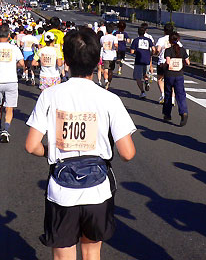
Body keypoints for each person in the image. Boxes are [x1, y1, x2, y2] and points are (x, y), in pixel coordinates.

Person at [25, 27, 136, 260]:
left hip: (61, 190)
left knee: (63, 255)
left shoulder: (50, 95)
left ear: (65, 61)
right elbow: (127, 152)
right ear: (98, 62)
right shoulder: (110, 99)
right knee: (91, 253)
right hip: (98, 190)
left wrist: (51, 150)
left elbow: (31, 145)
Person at [0, 24, 24, 143]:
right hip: (11, 80)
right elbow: (22, 63)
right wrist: (15, 65)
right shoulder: (14, 48)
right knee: (9, 107)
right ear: (9, 35)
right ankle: (6, 129)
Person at [162, 32, 190, 126]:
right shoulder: (182, 50)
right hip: (179, 75)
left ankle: (167, 114)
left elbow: (168, 62)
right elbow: (188, 62)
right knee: (180, 94)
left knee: (168, 94)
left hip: (169, 74)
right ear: (178, 40)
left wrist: (163, 66)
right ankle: (183, 112)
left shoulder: (168, 50)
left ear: (170, 41)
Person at [130, 26, 155, 99]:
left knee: (138, 77)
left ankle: (142, 92)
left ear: (138, 32)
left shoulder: (136, 40)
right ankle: (146, 81)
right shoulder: (148, 40)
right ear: (145, 32)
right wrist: (151, 54)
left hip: (139, 60)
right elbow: (153, 49)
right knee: (145, 74)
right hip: (147, 60)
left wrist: (136, 51)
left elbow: (131, 51)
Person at [99, 23, 118, 90]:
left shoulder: (103, 38)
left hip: (105, 55)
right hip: (112, 56)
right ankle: (109, 81)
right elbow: (116, 45)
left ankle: (106, 80)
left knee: (105, 69)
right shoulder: (114, 38)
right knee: (111, 70)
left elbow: (101, 45)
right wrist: (116, 49)